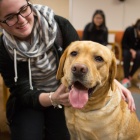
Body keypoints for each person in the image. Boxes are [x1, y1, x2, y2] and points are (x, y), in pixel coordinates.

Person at [0, 0, 135, 140]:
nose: (21, 20)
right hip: (29, 100)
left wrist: (114, 82)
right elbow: (21, 92)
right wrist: (53, 98)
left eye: (23, 9)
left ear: (30, 5)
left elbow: (84, 56)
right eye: (10, 17)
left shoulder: (60, 25)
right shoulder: (3, 49)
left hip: (65, 93)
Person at [121, 19, 140, 88]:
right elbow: (123, 43)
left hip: (137, 51)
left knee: (139, 55)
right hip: (127, 49)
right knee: (126, 54)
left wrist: (136, 51)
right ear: (138, 30)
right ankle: (126, 77)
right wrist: (131, 50)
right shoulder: (129, 30)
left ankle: (130, 76)